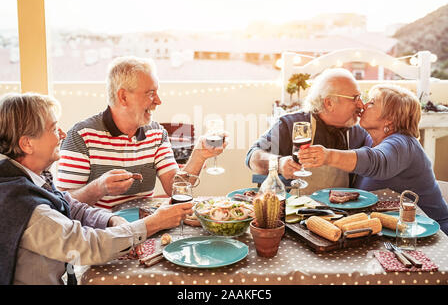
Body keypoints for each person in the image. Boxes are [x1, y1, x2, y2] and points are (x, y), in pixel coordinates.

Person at [0, 92, 193, 285]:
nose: (62, 134)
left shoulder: (28, 178)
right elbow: (88, 246)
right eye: (53, 128)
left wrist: (112, 220)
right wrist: (154, 223)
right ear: (27, 144)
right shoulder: (22, 204)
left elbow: (71, 207)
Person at [56, 56, 226, 209]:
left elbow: (175, 188)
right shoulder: (81, 137)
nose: (159, 101)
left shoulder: (157, 134)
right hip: (101, 235)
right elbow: (62, 204)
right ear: (123, 97)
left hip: (145, 228)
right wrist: (98, 188)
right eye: (151, 93)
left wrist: (199, 155)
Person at [299, 84, 448, 237]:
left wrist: (328, 156)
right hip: (390, 231)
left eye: (371, 103)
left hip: (430, 234)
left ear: (389, 119)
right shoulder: (370, 138)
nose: (364, 105)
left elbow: (377, 162)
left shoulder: (402, 144)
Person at [245, 68, 370, 194]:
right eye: (355, 98)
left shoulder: (358, 133)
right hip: (293, 210)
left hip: (340, 212)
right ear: (329, 103)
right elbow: (252, 157)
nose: (360, 104)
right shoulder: (290, 125)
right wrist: (279, 163)